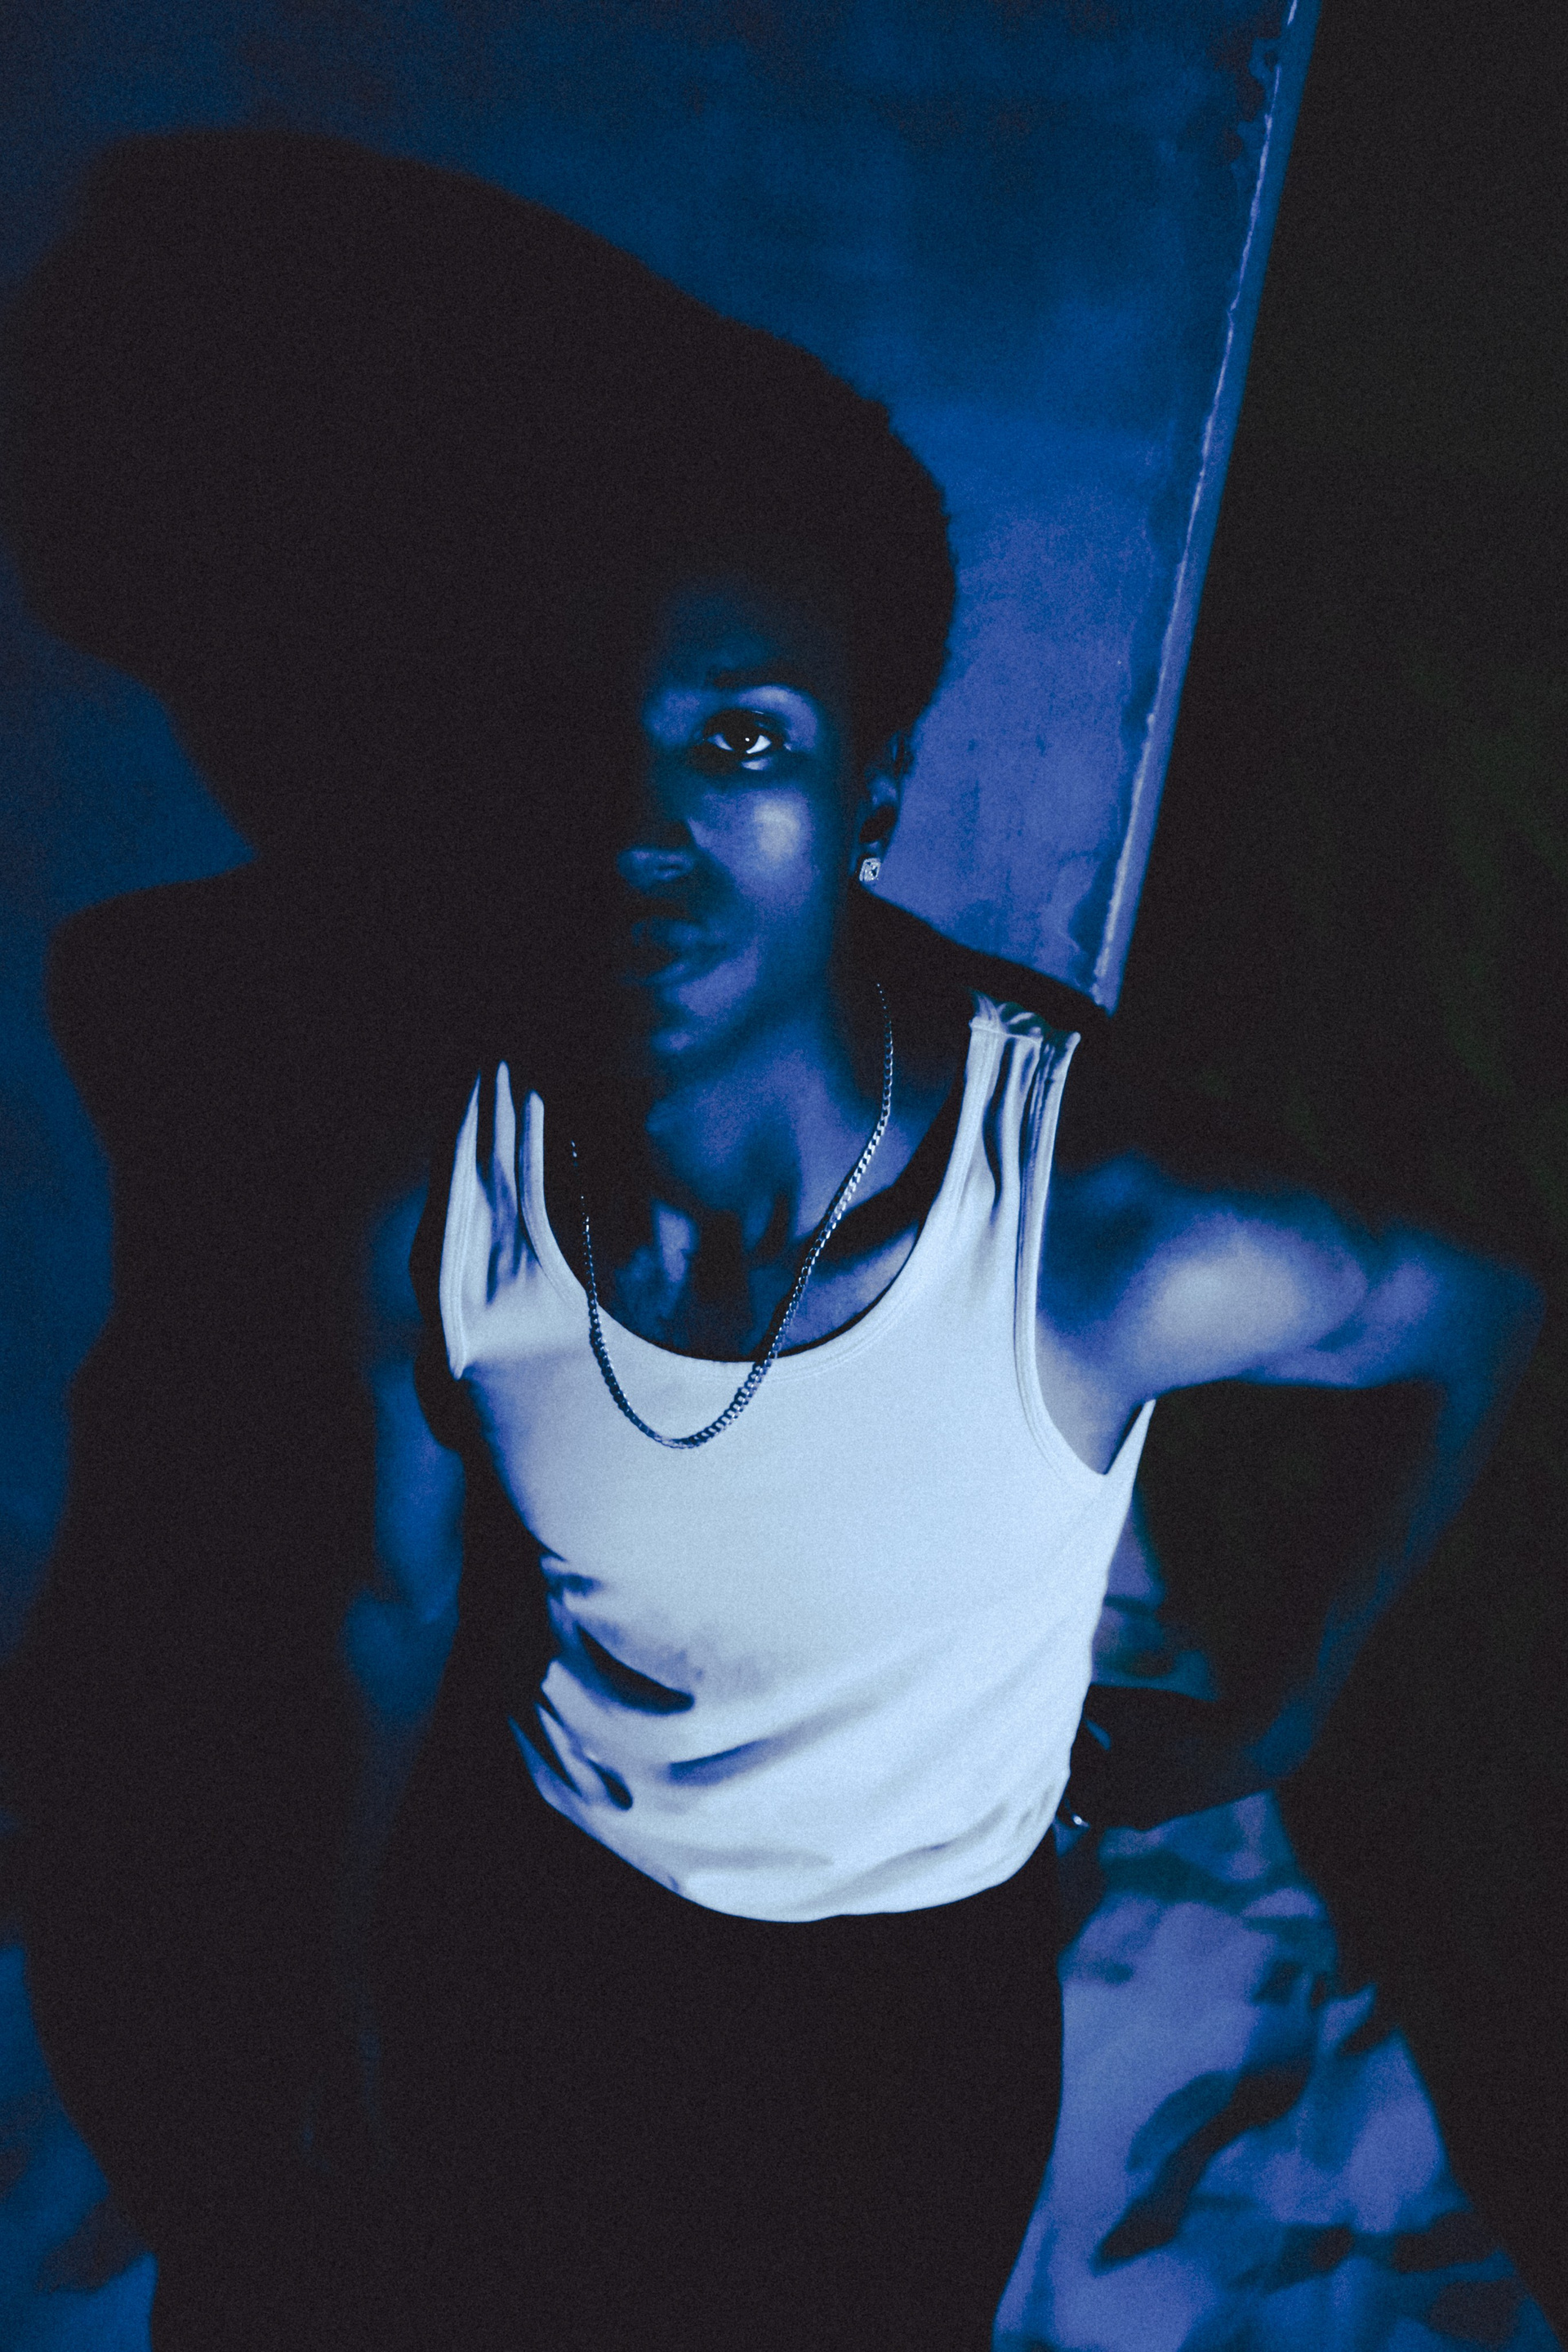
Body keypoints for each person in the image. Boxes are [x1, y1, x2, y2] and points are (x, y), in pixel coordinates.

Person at [0, 131, 1544, 2352]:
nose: (636, 834)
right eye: (573, 734)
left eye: (742, 739)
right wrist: (326, 1967)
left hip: (905, 2000)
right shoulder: (425, 1187)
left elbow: (1483, 1317)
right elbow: (384, 1603)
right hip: (542, 1904)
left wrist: (1285, 1711)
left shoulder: (1103, 1232)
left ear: (874, 795)